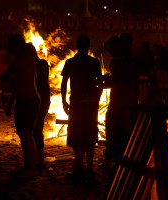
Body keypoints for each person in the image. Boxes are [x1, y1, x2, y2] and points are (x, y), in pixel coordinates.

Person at [61, 34, 102, 179]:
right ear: (89, 46)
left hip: (76, 103)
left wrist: (64, 101)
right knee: (90, 135)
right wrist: (97, 98)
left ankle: (79, 168)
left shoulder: (70, 62)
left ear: (77, 46)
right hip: (91, 104)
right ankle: (90, 168)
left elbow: (64, 83)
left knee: (77, 136)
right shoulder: (95, 62)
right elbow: (101, 83)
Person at [1, 34, 40, 179]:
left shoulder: (23, 60)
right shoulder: (26, 59)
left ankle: (31, 168)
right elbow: (17, 84)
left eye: (10, 45)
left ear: (17, 46)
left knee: (26, 134)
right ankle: (30, 166)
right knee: (26, 135)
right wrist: (11, 102)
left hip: (28, 101)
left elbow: (7, 78)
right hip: (27, 100)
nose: (8, 48)